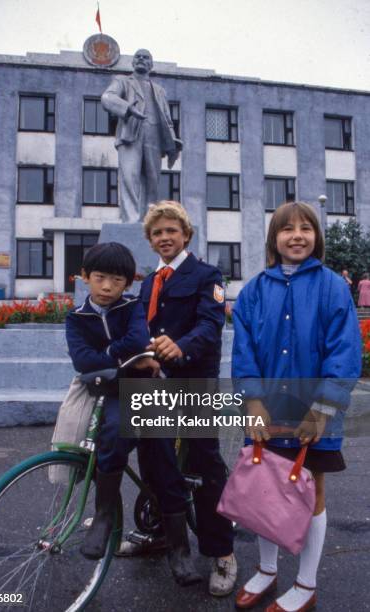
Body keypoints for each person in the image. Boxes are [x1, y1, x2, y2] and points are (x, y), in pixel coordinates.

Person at [232, 202, 361, 611]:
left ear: (316, 237)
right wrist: (252, 400)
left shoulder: (332, 286)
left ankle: (306, 584)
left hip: (313, 411)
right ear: (274, 239)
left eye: (306, 228)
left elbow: (344, 351)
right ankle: (268, 571)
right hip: (266, 410)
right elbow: (244, 350)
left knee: (312, 492)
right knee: (263, 490)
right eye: (287, 229)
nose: (297, 235)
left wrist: (322, 409)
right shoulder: (254, 290)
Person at [117, 201, 237, 596]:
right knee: (154, 459)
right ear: (150, 241)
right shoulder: (151, 281)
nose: (165, 237)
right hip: (156, 382)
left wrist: (178, 347)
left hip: (193, 379)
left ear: (186, 234)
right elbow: (141, 326)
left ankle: (221, 551)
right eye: (157, 233)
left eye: (172, 230)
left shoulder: (207, 274)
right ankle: (161, 534)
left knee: (205, 463)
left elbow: (210, 323)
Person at [66, 242, 199, 584]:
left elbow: (138, 340)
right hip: (110, 392)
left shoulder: (132, 306)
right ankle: (104, 516)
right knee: (111, 434)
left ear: (128, 282)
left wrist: (109, 355)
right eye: (100, 278)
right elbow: (82, 360)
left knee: (163, 464)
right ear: (85, 278)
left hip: (146, 389)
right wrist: (123, 356)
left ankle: (179, 550)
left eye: (116, 279)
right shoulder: (76, 317)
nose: (108, 286)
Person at [101, 49, 182, 223]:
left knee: (152, 180)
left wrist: (172, 143)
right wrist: (127, 109)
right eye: (138, 56)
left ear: (151, 65)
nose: (141, 59)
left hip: (154, 136)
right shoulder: (123, 81)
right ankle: (131, 220)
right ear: (132, 62)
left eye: (145, 57)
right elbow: (107, 98)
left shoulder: (159, 90)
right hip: (131, 134)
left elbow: (167, 119)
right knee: (130, 177)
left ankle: (149, 221)